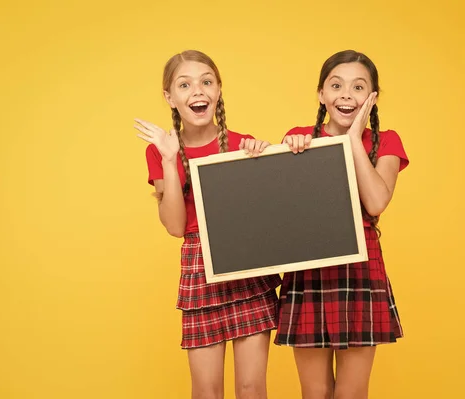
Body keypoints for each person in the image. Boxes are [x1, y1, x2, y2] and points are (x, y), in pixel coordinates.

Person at [135, 50, 281, 399]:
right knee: (206, 390)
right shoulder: (160, 151)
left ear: (218, 90)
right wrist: (170, 160)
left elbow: (271, 217)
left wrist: (264, 163)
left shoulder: (243, 144)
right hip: (199, 264)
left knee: (251, 387)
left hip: (247, 263)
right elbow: (174, 226)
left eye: (206, 81)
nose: (197, 91)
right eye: (184, 85)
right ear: (170, 97)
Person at [275, 50, 410, 399]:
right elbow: (281, 209)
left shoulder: (385, 141)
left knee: (351, 393)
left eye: (358, 87)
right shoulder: (299, 138)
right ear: (321, 94)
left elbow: (377, 201)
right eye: (336, 85)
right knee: (315, 393)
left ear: (372, 98)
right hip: (308, 268)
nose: (346, 94)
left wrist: (352, 142)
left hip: (360, 269)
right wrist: (287, 153)